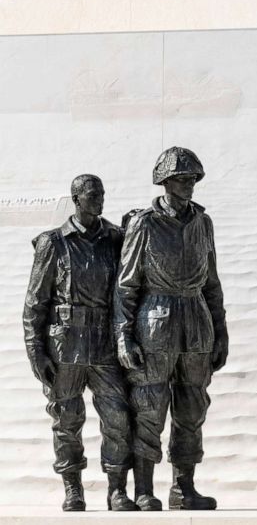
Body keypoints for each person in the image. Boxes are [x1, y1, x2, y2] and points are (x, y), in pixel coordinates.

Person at [114, 147, 228, 511]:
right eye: (181, 178)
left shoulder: (203, 222)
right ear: (164, 181)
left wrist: (221, 331)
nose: (189, 184)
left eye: (193, 178)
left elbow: (212, 282)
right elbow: (127, 284)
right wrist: (123, 335)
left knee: (193, 407)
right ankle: (145, 488)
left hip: (196, 320)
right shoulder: (144, 223)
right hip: (155, 318)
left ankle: (184, 487)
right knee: (150, 405)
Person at [23, 174, 138, 512]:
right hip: (64, 346)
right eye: (92, 194)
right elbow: (35, 303)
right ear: (75, 198)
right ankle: (73, 488)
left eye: (102, 193)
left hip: (104, 343)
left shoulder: (117, 238)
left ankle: (117, 489)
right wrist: (36, 351)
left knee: (117, 418)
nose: (99, 199)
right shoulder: (53, 243)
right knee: (66, 419)